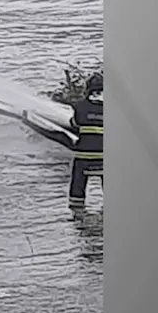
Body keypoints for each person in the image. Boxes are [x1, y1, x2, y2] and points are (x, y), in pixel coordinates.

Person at [67, 73, 104, 216]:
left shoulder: (80, 106)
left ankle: (77, 211)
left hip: (84, 156)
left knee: (78, 182)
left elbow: (74, 124)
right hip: (105, 156)